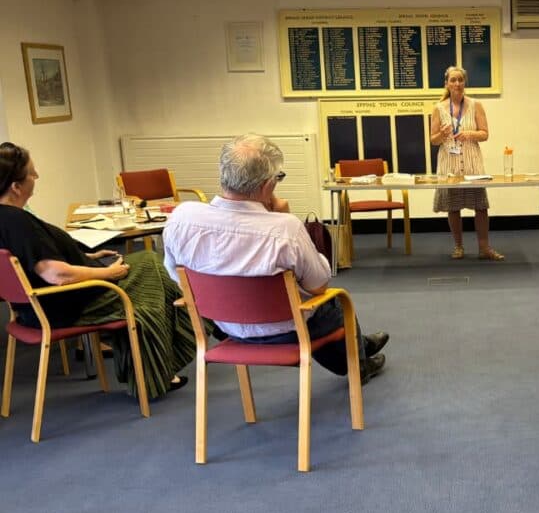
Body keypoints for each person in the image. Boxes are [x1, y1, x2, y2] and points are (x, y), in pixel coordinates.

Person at [162, 135, 388, 384]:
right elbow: (318, 284)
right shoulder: (284, 229)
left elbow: (180, 280)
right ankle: (360, 362)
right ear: (268, 185)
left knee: (311, 308)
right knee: (333, 303)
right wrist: (284, 218)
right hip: (287, 331)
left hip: (225, 327)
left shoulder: (181, 218)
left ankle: (363, 347)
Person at [0, 141, 193, 399]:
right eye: (32, 173)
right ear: (16, 186)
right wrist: (107, 274)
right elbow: (56, 275)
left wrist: (83, 256)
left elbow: (31, 259)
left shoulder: (7, 218)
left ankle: (163, 361)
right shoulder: (17, 220)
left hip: (31, 309)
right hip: (67, 305)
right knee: (150, 271)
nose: (37, 177)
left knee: (148, 268)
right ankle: (161, 365)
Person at [429, 65, 504, 261]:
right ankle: (459, 247)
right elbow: (433, 140)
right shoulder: (438, 108)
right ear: (446, 84)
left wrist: (469, 134)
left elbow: (485, 134)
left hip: (472, 161)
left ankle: (484, 248)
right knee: (453, 206)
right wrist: (442, 134)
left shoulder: (475, 105)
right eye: (453, 80)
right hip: (449, 162)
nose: (457, 83)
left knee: (480, 205)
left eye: (460, 80)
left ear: (465, 83)